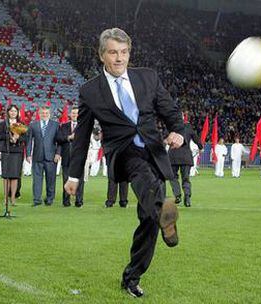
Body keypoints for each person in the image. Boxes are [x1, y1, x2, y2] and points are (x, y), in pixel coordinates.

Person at [64, 28, 184, 298]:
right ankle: (165, 212)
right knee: (144, 180)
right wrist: (74, 176)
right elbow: (81, 137)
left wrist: (179, 132)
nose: (119, 58)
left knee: (148, 221)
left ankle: (132, 277)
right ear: (101, 55)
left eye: (124, 52)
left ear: (129, 53)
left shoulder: (148, 78)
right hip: (125, 153)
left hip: (154, 150)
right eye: (113, 52)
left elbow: (171, 112)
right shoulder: (90, 91)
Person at [26, 107, 61, 206]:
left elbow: (59, 141)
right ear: (39, 114)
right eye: (42, 113)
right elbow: (28, 141)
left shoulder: (55, 125)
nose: (44, 114)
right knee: (37, 179)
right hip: (37, 156)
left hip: (51, 157)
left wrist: (58, 153)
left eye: (46, 113)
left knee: (51, 179)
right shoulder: (33, 125)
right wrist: (28, 154)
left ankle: (50, 199)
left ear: (49, 114)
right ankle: (37, 200)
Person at [0, 105, 26, 207]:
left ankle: (13, 198)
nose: (13, 113)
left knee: (15, 176)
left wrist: (18, 138)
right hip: (6, 151)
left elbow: (25, 138)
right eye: (11, 111)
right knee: (6, 176)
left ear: (17, 112)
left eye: (15, 111)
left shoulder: (21, 124)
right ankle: (5, 198)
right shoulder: (3, 124)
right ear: (8, 112)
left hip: (17, 152)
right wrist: (10, 137)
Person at [168, 121, 202, 206]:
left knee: (173, 177)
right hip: (185, 156)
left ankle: (177, 195)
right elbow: (196, 138)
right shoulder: (188, 127)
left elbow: (165, 139)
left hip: (173, 156)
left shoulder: (171, 126)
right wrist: (200, 147)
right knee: (186, 178)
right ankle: (187, 197)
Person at [57, 107, 84, 207]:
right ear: (70, 114)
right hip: (66, 157)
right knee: (65, 179)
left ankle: (79, 201)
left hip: (79, 157)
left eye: (77, 113)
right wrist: (69, 137)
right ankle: (66, 201)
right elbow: (59, 138)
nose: (75, 115)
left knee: (80, 180)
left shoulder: (83, 126)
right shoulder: (63, 126)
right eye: (73, 113)